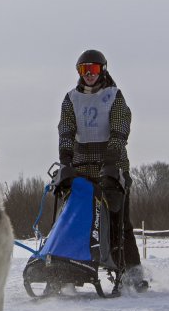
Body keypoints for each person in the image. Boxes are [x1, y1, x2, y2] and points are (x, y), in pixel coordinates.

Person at [56, 49, 148, 293]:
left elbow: (120, 129)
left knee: (119, 221)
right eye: (84, 69)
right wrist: (65, 161)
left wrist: (111, 159)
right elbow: (66, 130)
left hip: (112, 166)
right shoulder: (71, 99)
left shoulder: (114, 96)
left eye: (93, 69)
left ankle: (132, 271)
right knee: (74, 217)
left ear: (103, 70)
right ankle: (66, 269)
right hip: (81, 167)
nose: (88, 74)